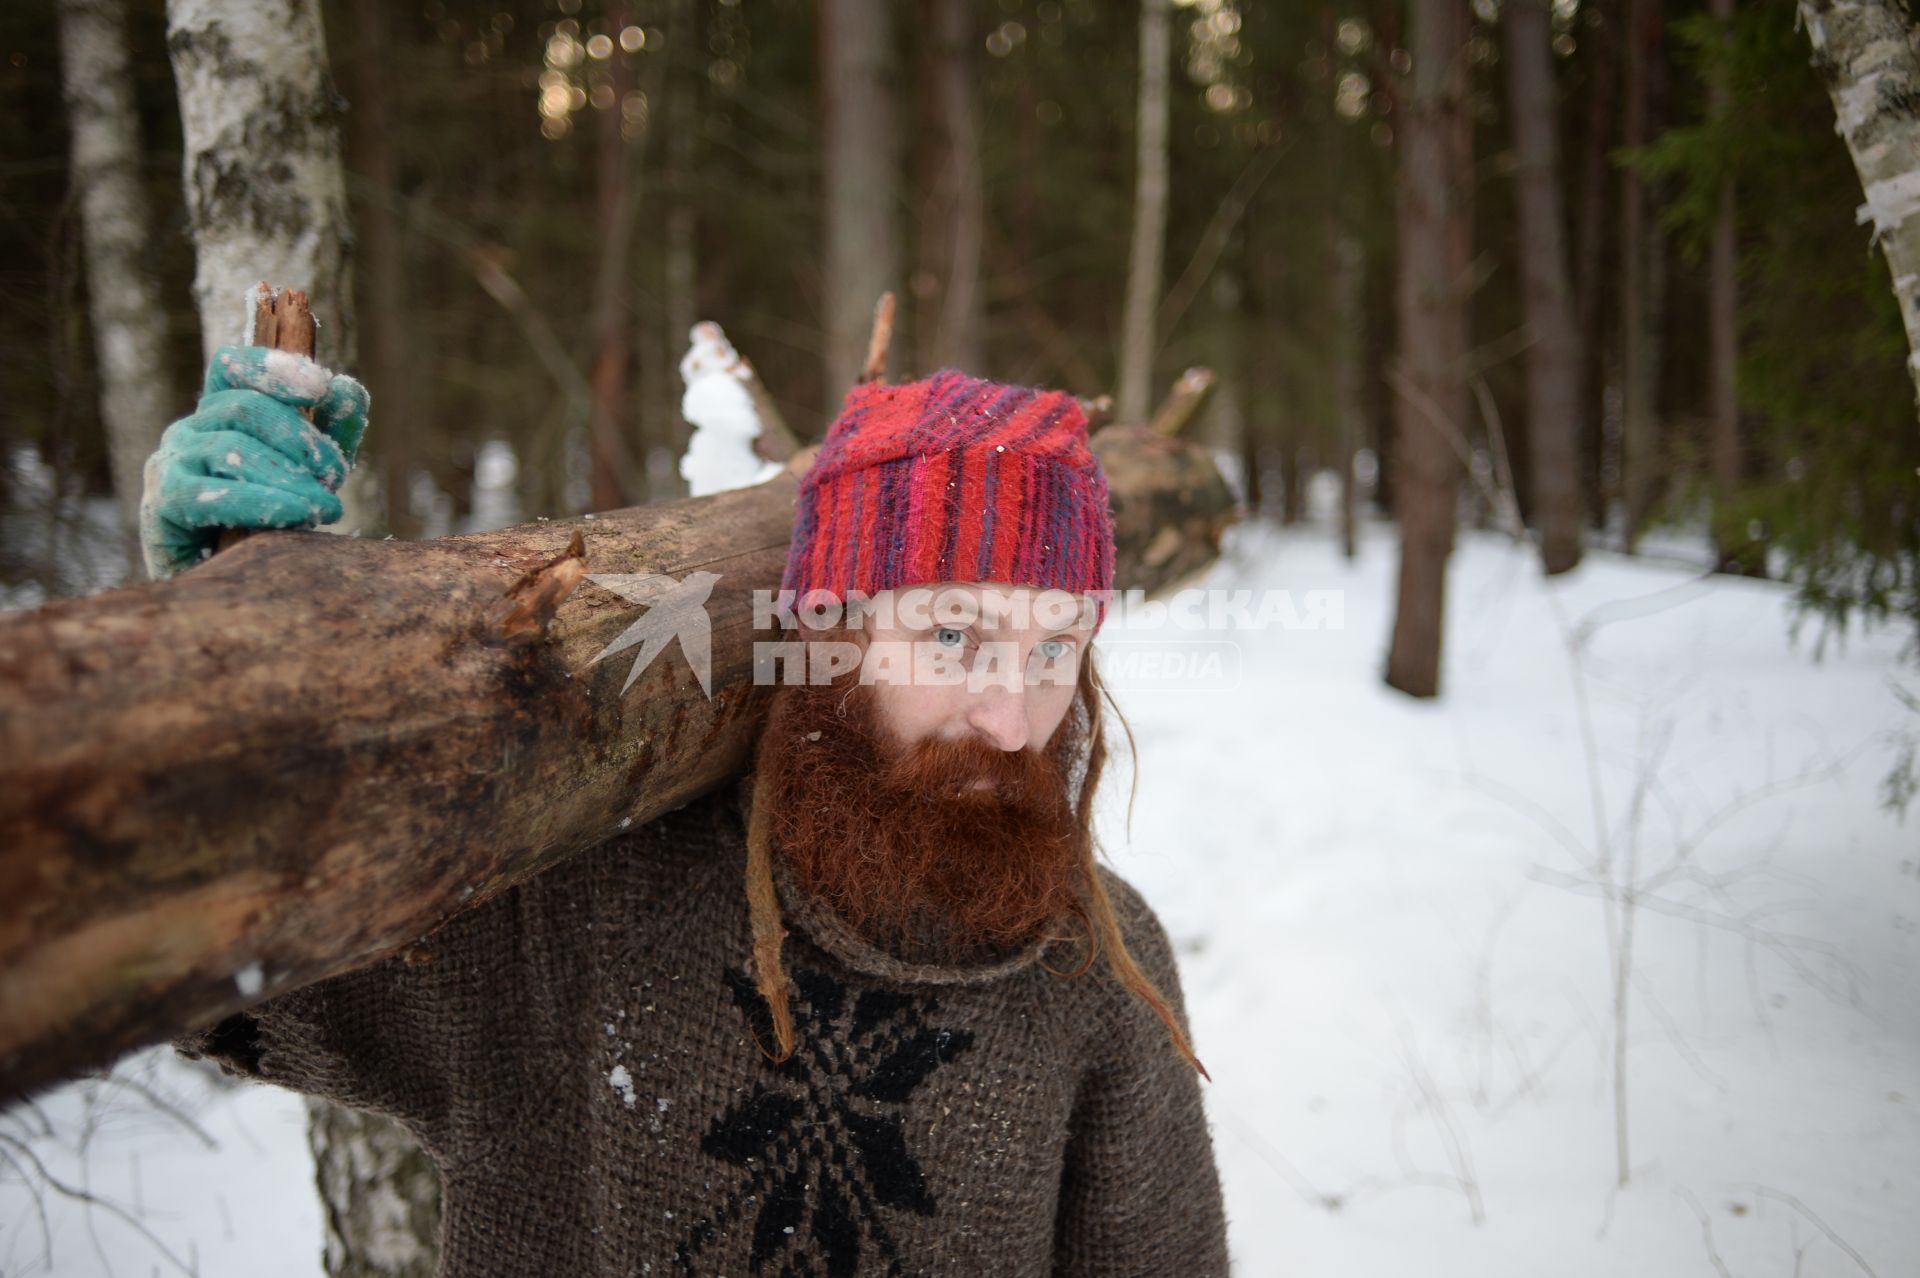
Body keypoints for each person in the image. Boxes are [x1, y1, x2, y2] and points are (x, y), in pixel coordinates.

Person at [149, 349, 1230, 1275]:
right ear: (824, 637)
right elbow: (192, 949)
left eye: (1053, 647)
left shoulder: (1097, 968)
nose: (1011, 717)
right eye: (953, 636)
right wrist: (204, 679)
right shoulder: (576, 900)